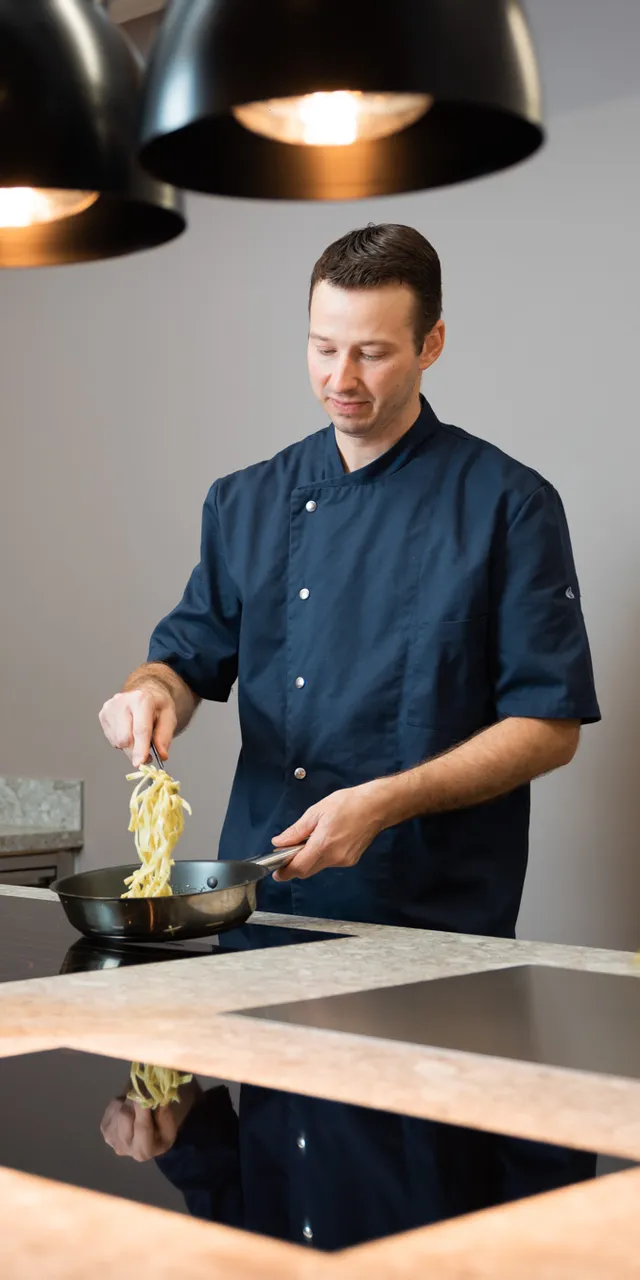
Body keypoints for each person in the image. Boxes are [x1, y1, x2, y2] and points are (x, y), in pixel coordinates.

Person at [99, 223, 601, 1214]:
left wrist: (387, 798)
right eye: (324, 345)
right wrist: (149, 693)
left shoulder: (506, 504)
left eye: (372, 350)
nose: (342, 375)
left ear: (431, 343)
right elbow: (183, 658)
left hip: (430, 955)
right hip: (259, 939)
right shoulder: (245, 501)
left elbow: (550, 722)